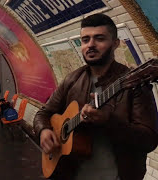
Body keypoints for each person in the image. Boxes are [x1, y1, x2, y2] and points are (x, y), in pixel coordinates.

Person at [34, 13, 158, 180]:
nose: (90, 45)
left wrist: (109, 121)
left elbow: (149, 140)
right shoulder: (73, 79)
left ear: (115, 44)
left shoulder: (133, 82)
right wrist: (44, 130)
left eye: (99, 38)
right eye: (85, 40)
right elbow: (43, 113)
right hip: (70, 171)